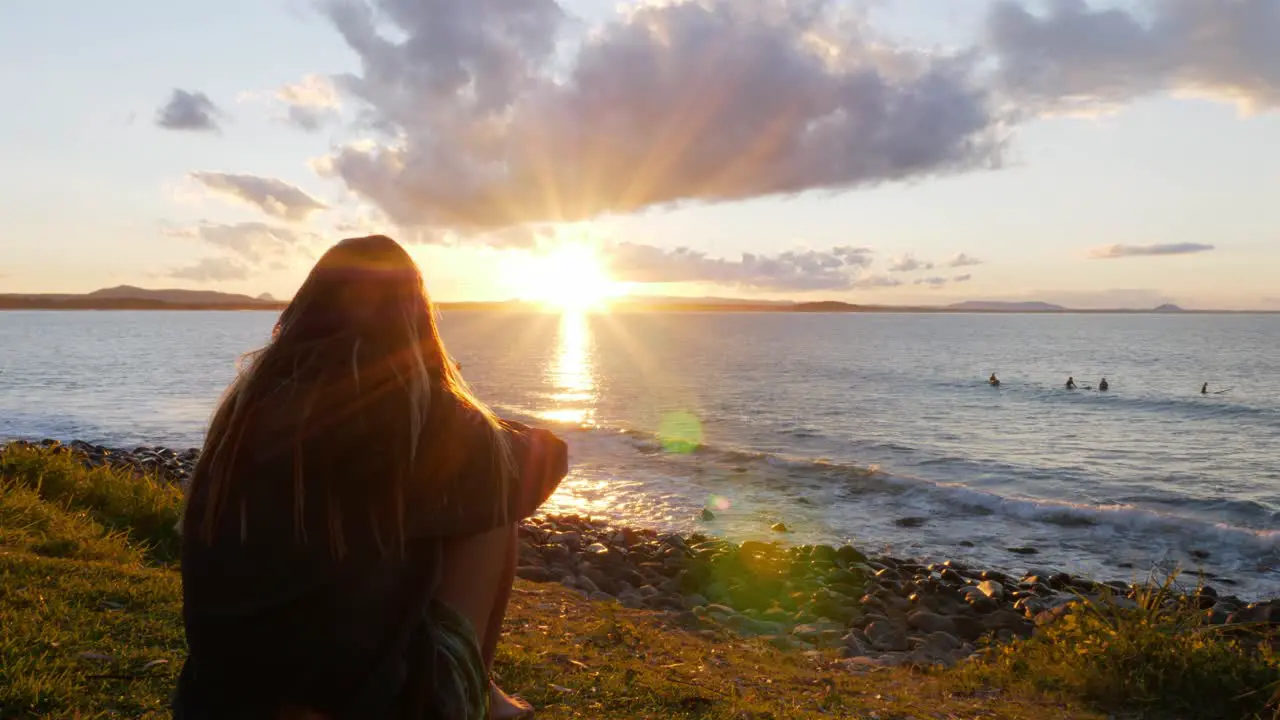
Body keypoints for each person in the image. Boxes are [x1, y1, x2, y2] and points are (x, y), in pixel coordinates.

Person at [175, 235, 567, 720]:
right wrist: (473, 414)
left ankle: (478, 690)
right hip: (364, 703)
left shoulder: (244, 406)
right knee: (495, 497)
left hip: (218, 699)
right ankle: (476, 696)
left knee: (475, 482)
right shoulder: (414, 410)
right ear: (415, 317)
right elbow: (545, 460)